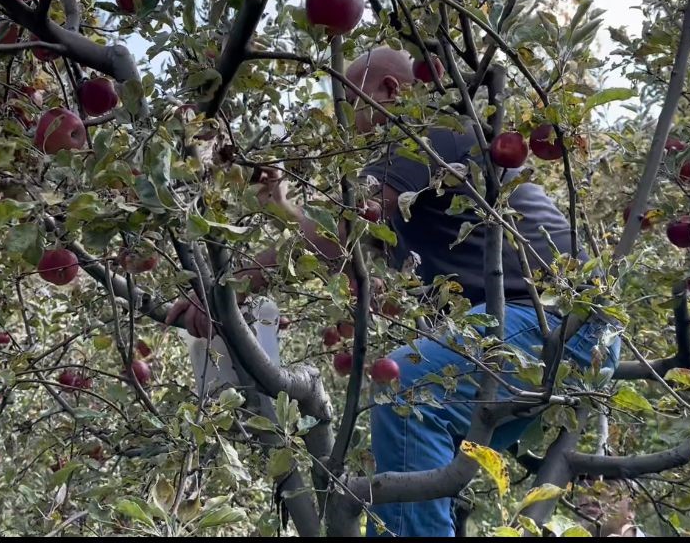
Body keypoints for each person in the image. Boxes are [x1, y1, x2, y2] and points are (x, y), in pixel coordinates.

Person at [166, 47, 621, 538]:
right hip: (563, 344)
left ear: (387, 91)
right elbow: (340, 243)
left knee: (406, 391)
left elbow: (342, 232)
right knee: (408, 472)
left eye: (348, 104)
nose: (347, 127)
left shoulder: (420, 135)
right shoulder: (421, 181)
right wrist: (281, 207)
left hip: (557, 322)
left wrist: (220, 292)